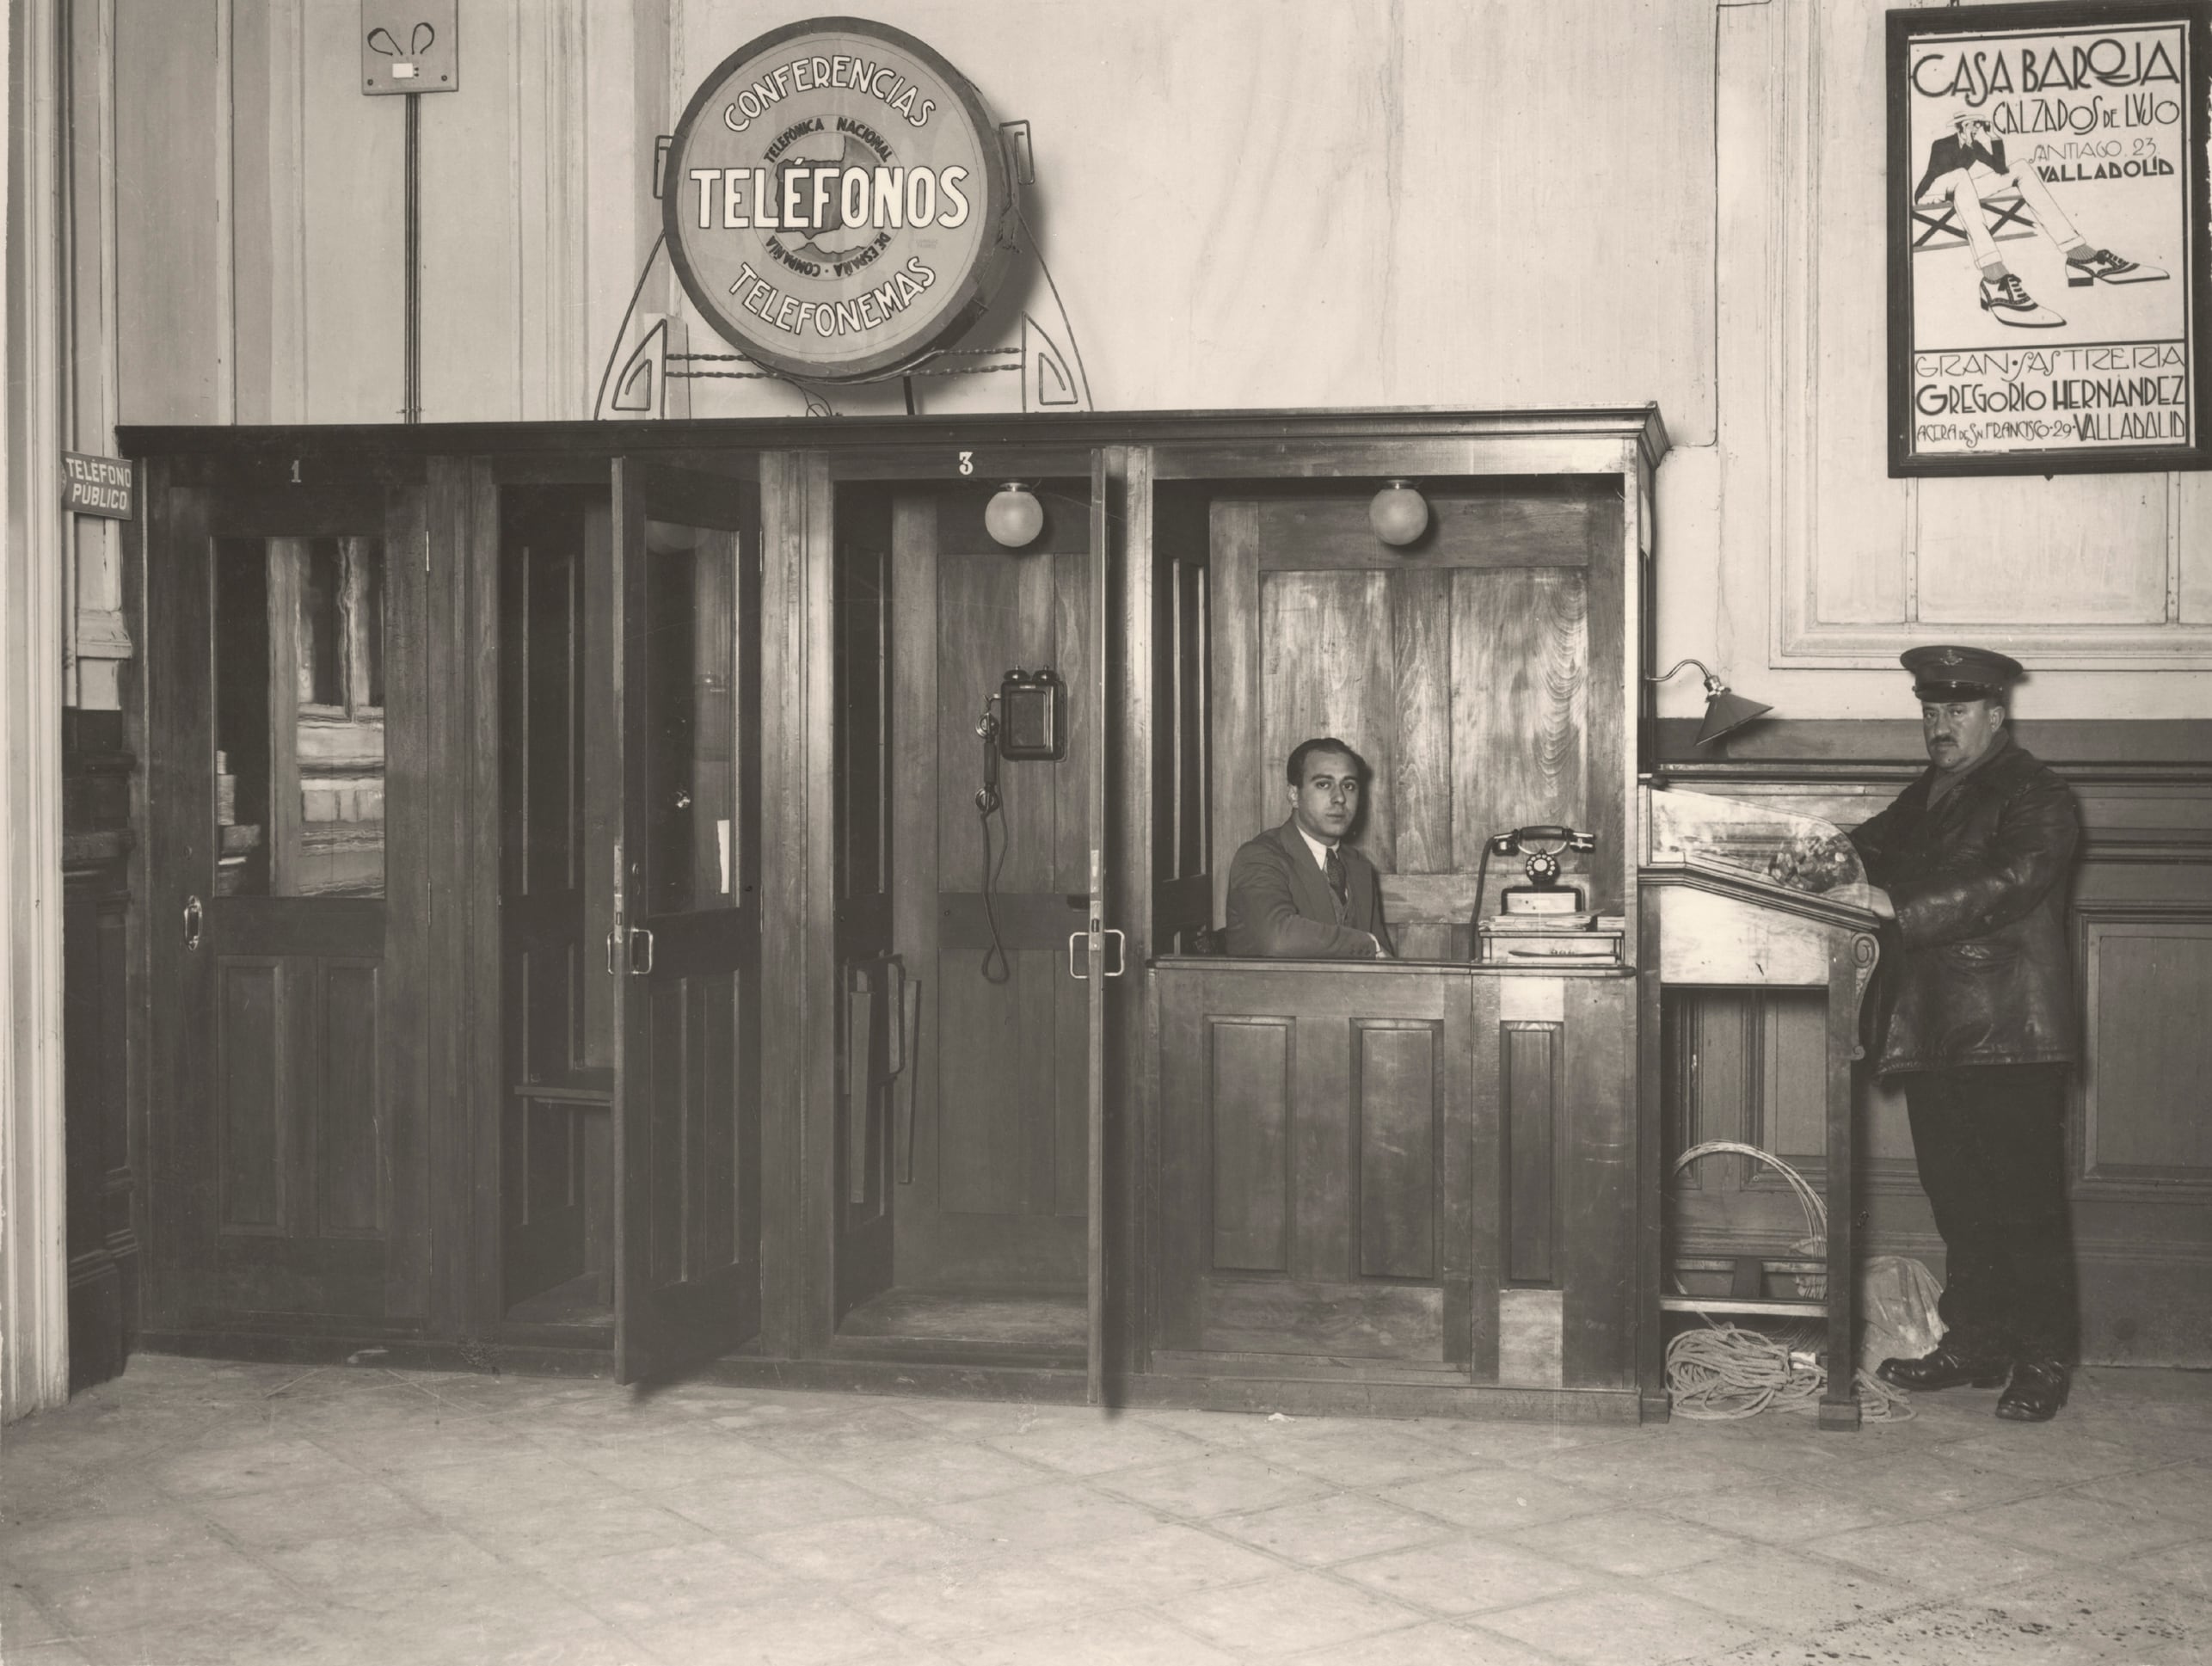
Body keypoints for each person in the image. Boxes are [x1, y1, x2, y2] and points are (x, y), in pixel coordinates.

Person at [1849, 645, 2082, 1422]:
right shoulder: (1929, 793)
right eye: (1929, 710)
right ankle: (1978, 1339)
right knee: (1960, 1201)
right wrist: (1805, 856)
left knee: (2026, 1205)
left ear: (1995, 714)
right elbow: (1864, 848)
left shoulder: (2038, 793)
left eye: (1954, 711)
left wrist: (1897, 904)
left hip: (2011, 1031)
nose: (1938, 725)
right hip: (1934, 1029)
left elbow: (2013, 880)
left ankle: (2044, 1357)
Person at [1914, 107, 2166, 329]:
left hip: (1963, 189)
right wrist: (1929, 198)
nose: (1977, 127)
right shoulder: (1942, 144)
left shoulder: (1974, 147)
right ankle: (1994, 277)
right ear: (1962, 125)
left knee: (2020, 167)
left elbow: (2000, 169)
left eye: (1979, 124)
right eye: (1973, 124)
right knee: (1960, 174)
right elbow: (1935, 174)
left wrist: (1994, 138)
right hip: (1933, 192)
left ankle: (2080, 254)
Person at [1224, 738, 1394, 959]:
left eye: (1349, 785)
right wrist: (1369, 944)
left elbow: (1385, 962)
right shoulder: (1259, 856)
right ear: (1294, 794)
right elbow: (1277, 939)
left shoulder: (1358, 866)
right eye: (1324, 784)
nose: (1340, 798)